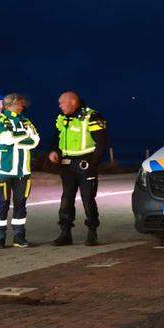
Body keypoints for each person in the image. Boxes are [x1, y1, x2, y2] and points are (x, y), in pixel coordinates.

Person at [48, 91, 108, 246]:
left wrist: (92, 165)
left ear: (73, 102)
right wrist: (54, 150)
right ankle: (65, 233)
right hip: (66, 165)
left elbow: (101, 143)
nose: (59, 106)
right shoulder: (62, 118)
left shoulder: (93, 116)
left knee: (88, 199)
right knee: (66, 199)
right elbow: (56, 137)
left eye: (62, 103)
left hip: (85, 165)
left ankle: (92, 232)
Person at [0, 93, 41, 249]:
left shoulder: (26, 121)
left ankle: (19, 237)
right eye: (19, 104)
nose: (22, 106)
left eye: (22, 104)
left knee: (21, 205)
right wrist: (25, 135)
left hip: (23, 172)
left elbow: (35, 140)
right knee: (2, 205)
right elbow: (5, 138)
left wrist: (15, 139)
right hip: (4, 171)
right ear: (8, 106)